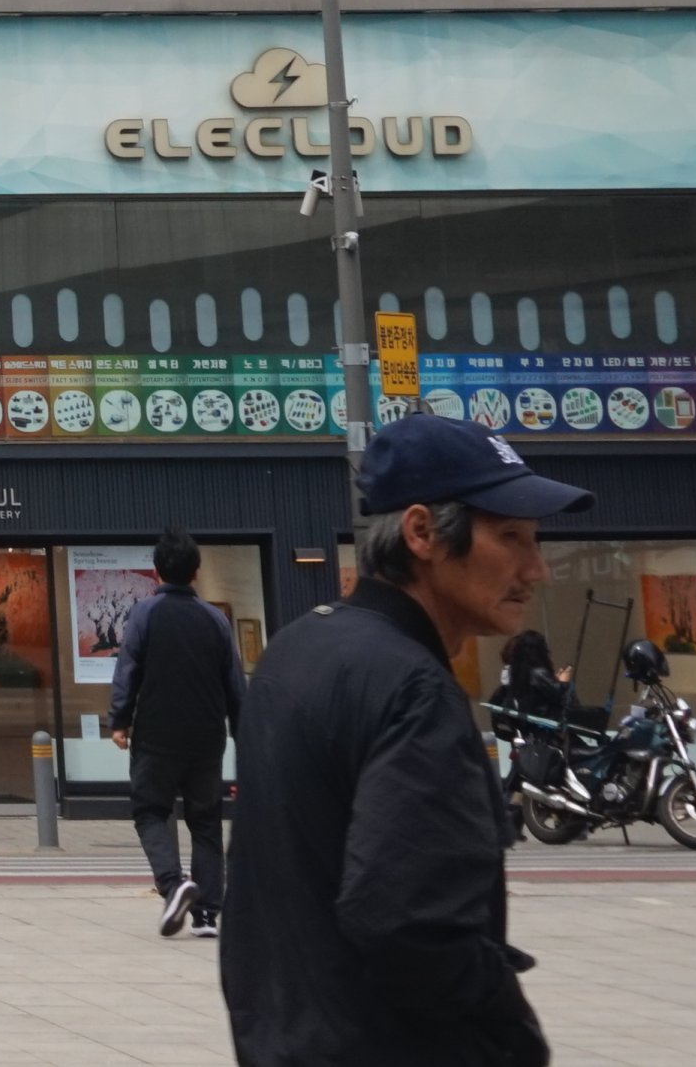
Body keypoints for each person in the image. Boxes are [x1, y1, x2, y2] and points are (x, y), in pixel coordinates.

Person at [218, 414, 592, 1067]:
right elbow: (407, 924)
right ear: (420, 532)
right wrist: (506, 1029)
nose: (536, 569)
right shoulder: (411, 688)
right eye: (509, 537)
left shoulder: (297, 647)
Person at [109, 529, 243, 937]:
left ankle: (173, 884)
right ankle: (206, 915)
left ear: (156, 571)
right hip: (206, 736)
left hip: (156, 733)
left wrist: (120, 719)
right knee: (205, 820)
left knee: (150, 810)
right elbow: (235, 683)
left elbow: (128, 668)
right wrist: (245, 733)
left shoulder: (145, 614)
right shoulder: (215, 619)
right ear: (196, 572)